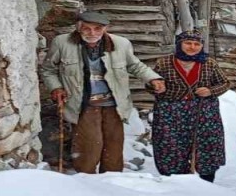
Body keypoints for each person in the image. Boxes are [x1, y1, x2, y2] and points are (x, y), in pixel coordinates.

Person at [41, 10, 165, 174]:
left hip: (115, 103)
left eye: (98, 29)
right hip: (83, 103)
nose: (92, 33)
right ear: (78, 28)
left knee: (114, 145)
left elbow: (135, 65)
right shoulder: (62, 43)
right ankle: (86, 179)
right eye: (87, 28)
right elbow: (48, 69)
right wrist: (56, 87)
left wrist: (153, 79)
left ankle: (112, 180)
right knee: (90, 144)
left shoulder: (121, 44)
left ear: (106, 29)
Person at [150, 31, 231, 182]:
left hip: (203, 111)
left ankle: (206, 182)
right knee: (170, 146)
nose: (192, 47)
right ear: (179, 44)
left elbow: (225, 83)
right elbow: (152, 82)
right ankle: (174, 182)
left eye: (197, 44)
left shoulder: (209, 63)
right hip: (170, 112)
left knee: (206, 145)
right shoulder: (164, 63)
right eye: (188, 43)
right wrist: (155, 86)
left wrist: (210, 91)